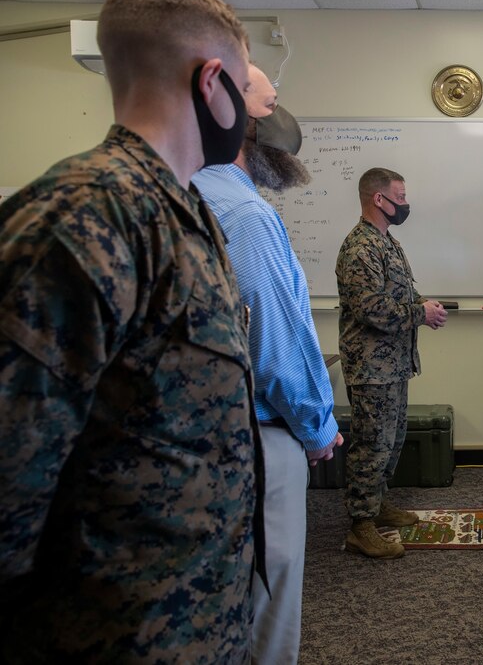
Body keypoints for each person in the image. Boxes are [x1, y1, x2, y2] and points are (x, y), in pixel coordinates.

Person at [0, 0, 261, 661]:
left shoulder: (189, 214)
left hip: (195, 615)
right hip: (111, 629)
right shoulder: (84, 215)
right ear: (213, 82)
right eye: (243, 88)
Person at [193, 64, 342, 663]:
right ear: (239, 116)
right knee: (269, 588)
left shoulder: (180, 191)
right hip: (260, 433)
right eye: (270, 98)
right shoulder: (247, 215)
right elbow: (275, 342)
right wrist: (316, 427)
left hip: (195, 437)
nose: (282, 112)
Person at [337, 167, 447, 559]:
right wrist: (420, 313)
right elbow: (371, 308)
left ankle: (378, 504)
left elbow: (402, 294)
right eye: (400, 197)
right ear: (378, 199)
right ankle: (360, 525)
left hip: (394, 364)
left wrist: (423, 306)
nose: (406, 204)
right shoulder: (359, 248)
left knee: (392, 440)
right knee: (371, 444)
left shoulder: (388, 242)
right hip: (370, 366)